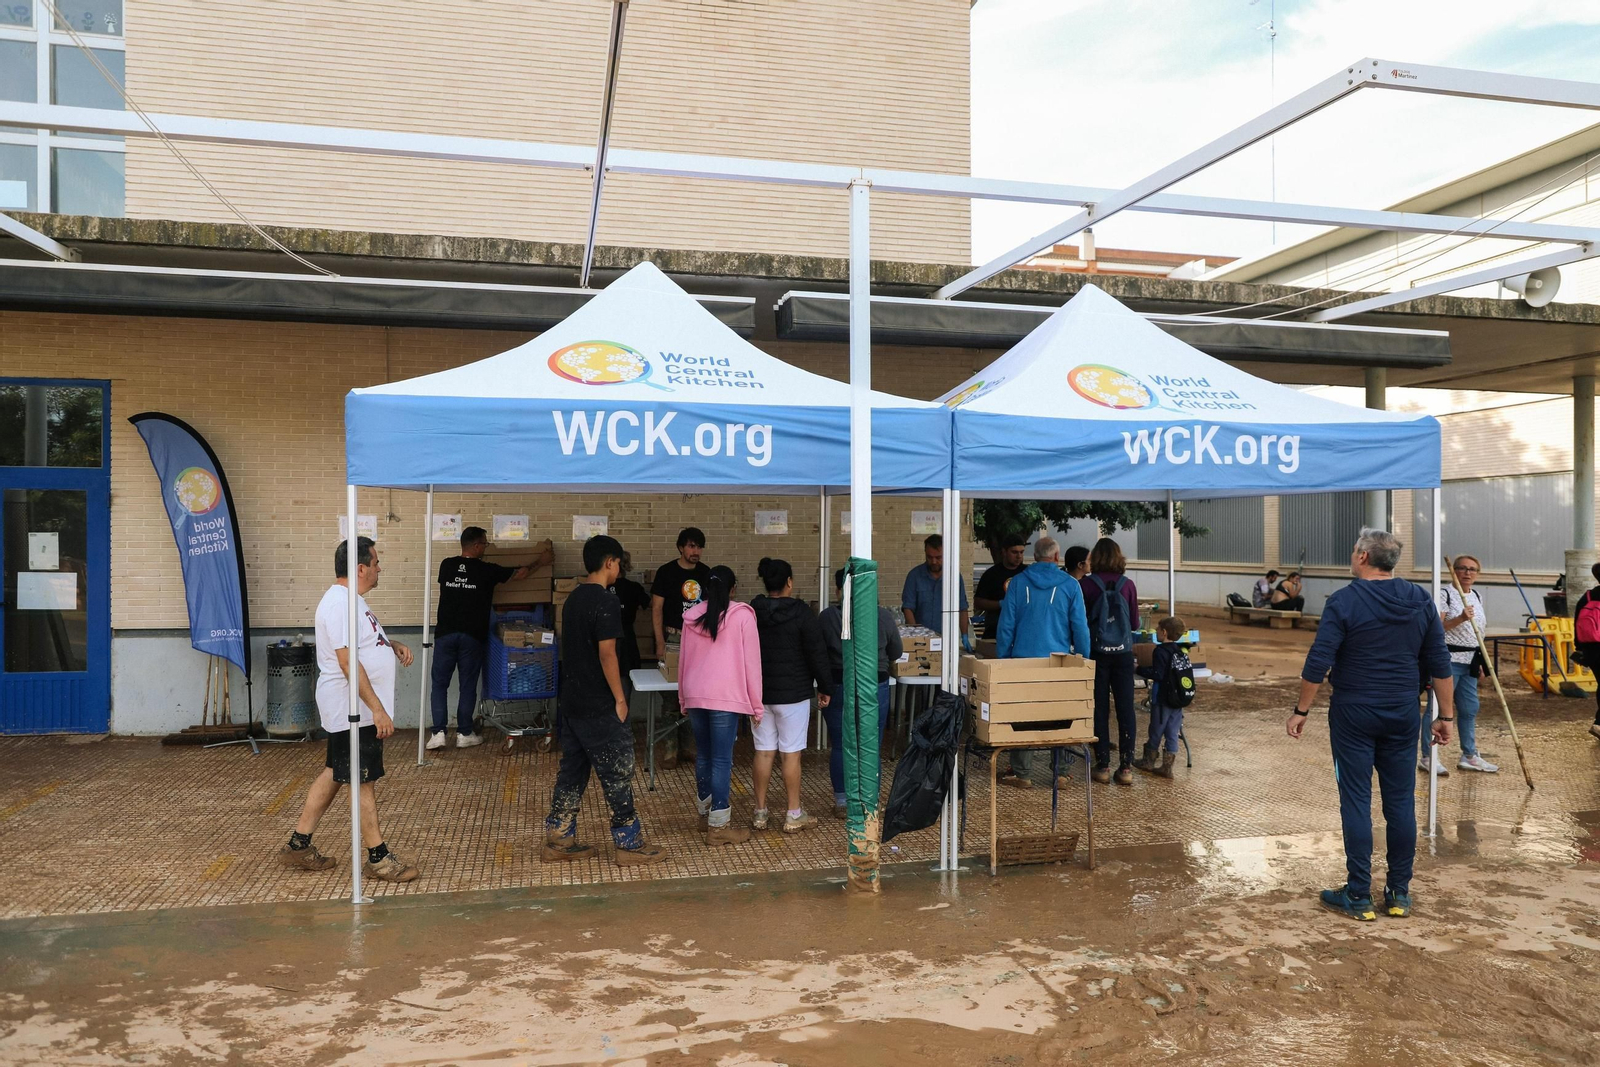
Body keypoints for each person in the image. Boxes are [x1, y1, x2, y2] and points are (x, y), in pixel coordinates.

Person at [1288, 528, 1454, 921]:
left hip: (1354, 713)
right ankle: (1399, 893)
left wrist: (1302, 710)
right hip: (1402, 712)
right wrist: (1444, 716)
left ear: (1363, 557)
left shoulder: (1344, 601)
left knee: (1356, 800)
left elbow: (1319, 660)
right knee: (1400, 803)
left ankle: (1359, 893)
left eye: (1353, 551)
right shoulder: (1419, 599)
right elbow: (1439, 661)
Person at [278, 537, 419, 883]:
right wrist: (378, 709)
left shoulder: (351, 602)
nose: (379, 568)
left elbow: (362, 644)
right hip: (352, 708)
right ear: (360, 568)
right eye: (375, 562)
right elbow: (346, 662)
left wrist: (391, 645)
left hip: (352, 708)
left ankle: (298, 845)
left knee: (336, 772)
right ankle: (379, 859)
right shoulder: (340, 604)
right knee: (361, 778)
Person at [542, 535, 667, 866]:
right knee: (618, 771)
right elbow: (607, 653)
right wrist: (620, 699)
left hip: (571, 702)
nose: (619, 570)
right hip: (599, 704)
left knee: (573, 770)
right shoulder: (606, 601)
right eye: (618, 564)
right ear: (609, 562)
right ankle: (628, 843)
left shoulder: (573, 600)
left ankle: (559, 838)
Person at [995, 536, 1091, 790]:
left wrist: (1004, 659)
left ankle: (1022, 772)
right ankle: (1062, 772)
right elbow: (1080, 626)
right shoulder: (1071, 585)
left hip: (1022, 661)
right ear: (1057, 558)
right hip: (1059, 661)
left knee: (1023, 715)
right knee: (1062, 714)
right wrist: (1083, 658)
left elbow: (1006, 626)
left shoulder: (1017, 583)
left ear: (1033, 557)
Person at [427, 526, 530, 751]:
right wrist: (540, 561)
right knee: (467, 685)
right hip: (472, 636)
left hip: (445, 634)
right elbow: (520, 574)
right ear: (475, 546)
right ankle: (464, 733)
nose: (486, 547)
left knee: (439, 684)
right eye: (484, 543)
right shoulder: (486, 570)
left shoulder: (447, 565)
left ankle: (438, 733)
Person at [679, 566, 761, 846]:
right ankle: (719, 826)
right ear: (733, 588)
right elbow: (752, 664)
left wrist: (682, 696)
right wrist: (757, 705)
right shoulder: (743, 616)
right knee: (722, 759)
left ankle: (704, 817)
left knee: (704, 755)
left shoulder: (691, 617)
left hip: (695, 693)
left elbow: (683, 660)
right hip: (725, 697)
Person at [751, 558, 832, 833]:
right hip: (794, 695)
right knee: (790, 755)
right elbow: (816, 653)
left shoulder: (754, 610)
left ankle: (760, 812)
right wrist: (825, 686)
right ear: (789, 582)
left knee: (763, 753)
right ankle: (793, 813)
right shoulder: (801, 613)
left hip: (760, 695)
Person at [819, 566, 904, 818]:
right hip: (874, 684)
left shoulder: (826, 618)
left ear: (838, 590)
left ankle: (843, 801)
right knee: (870, 745)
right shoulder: (882, 616)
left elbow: (818, 654)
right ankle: (869, 801)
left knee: (840, 745)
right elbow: (896, 652)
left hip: (837, 685)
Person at [1080, 538, 1141, 786]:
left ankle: (1103, 765)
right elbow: (1135, 624)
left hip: (1096, 653)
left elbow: (1080, 622)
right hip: (1123, 654)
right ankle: (1126, 767)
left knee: (1100, 708)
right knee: (1126, 707)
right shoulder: (1128, 585)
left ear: (1094, 558)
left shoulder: (1086, 585)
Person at [650, 527, 712, 768]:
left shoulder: (707, 573)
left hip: (700, 640)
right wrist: (659, 642)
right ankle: (669, 750)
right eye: (691, 546)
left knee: (695, 695)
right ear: (680, 547)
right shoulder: (667, 572)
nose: (695, 551)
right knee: (670, 697)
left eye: (698, 546)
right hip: (673, 638)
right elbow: (656, 609)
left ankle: (689, 747)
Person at [1429, 555, 1494, 773]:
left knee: (1469, 708)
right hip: (1449, 660)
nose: (1467, 573)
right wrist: (1460, 619)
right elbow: (1436, 629)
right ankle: (1428, 756)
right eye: (1463, 568)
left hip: (1470, 661)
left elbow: (1480, 631)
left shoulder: (1476, 595)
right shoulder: (1445, 594)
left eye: (1472, 569)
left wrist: (1482, 661)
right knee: (1437, 709)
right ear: (1454, 570)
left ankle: (1469, 754)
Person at [1133, 616, 1192, 779]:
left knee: (1156, 730)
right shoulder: (1180, 650)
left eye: (1158, 629)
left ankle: (1148, 761)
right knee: (1172, 732)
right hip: (1177, 700)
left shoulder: (1160, 650)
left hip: (1162, 699)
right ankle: (1167, 767)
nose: (1157, 632)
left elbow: (1157, 674)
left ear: (1164, 632)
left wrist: (1138, 669)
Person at [901, 534, 969, 639]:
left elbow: (962, 608)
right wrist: (915, 635)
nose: (933, 562)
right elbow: (908, 608)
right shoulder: (914, 576)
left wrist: (965, 635)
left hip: (948, 638)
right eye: (929, 557)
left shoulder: (954, 577)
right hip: (922, 637)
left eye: (938, 557)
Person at [974, 533, 1028, 640]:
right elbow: (978, 602)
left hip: (1022, 630)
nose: (1019, 556)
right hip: (995, 630)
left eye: (1021, 552)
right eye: (1014, 552)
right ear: (1004, 552)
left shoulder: (1028, 573)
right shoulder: (991, 574)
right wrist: (1000, 604)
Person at [613, 551, 652, 696]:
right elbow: (652, 604)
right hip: (627, 639)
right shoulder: (634, 588)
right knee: (624, 691)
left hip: (605, 639)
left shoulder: (600, 588)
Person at [1572, 561, 1600, 742]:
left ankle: (1599, 723)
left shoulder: (1588, 596)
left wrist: (1580, 648)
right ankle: (1599, 723)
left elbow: (1577, 623)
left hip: (1591, 649)